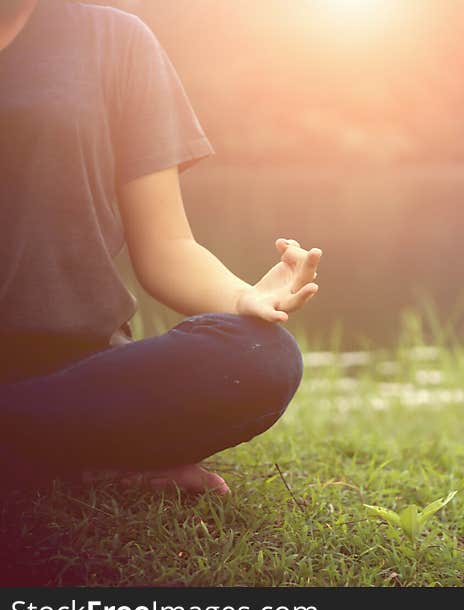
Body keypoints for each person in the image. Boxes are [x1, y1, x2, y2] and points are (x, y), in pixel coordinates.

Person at [0, 0, 321, 495]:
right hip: (56, 406)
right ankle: (68, 457)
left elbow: (167, 246)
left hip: (77, 375)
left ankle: (33, 443)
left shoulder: (114, 40)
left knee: (261, 355)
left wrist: (243, 298)